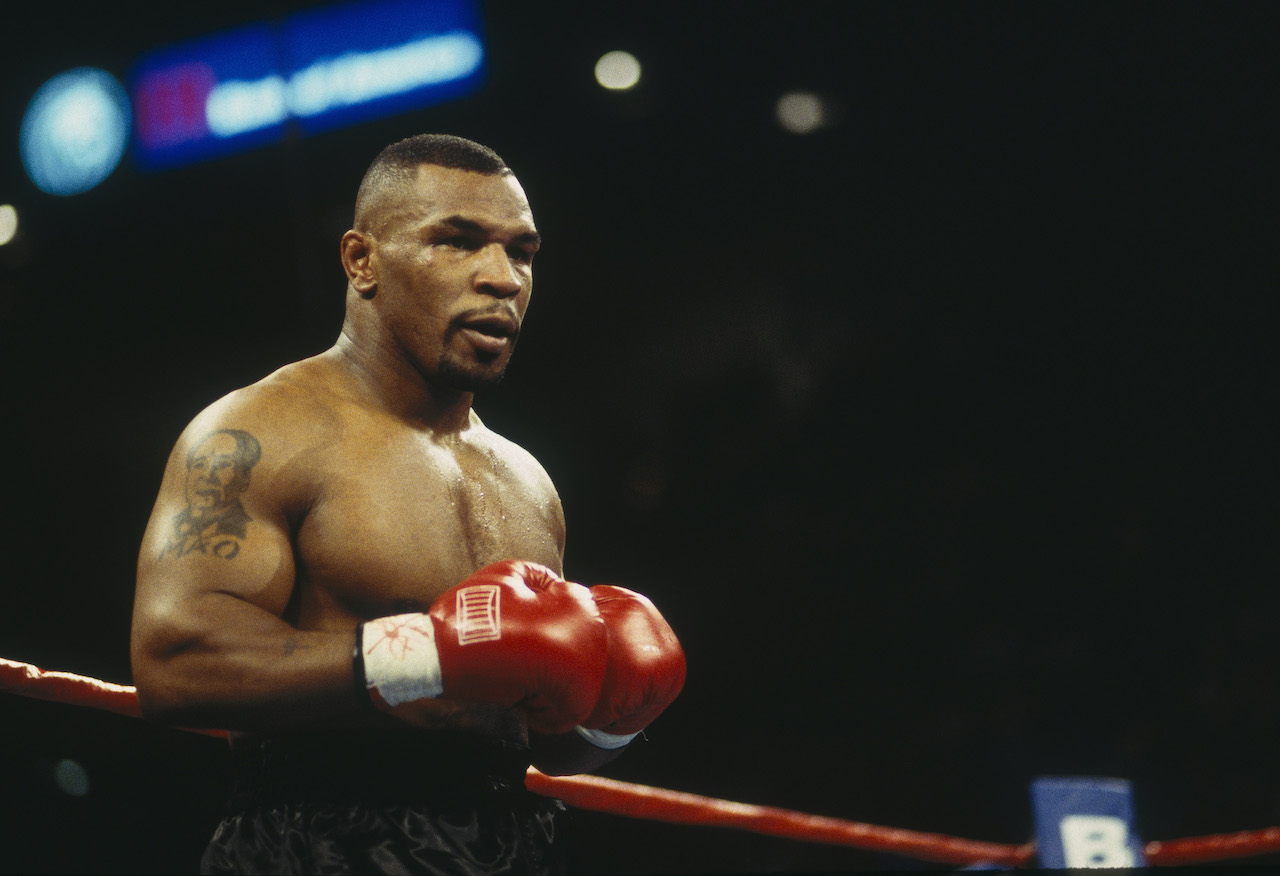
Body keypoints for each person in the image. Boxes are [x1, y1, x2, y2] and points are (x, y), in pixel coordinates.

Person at [130, 133, 686, 875]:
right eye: (457, 241)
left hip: (509, 846)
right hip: (318, 840)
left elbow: (530, 741)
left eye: (522, 253)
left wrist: (609, 721)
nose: (502, 279)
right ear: (361, 261)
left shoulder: (527, 482)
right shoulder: (258, 433)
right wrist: (426, 653)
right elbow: (174, 665)